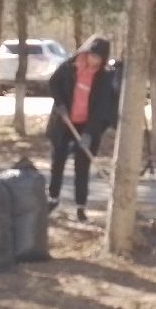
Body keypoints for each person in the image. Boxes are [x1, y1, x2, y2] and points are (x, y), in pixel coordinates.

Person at [45, 35, 119, 222]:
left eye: (98, 58)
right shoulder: (70, 66)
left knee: (82, 166)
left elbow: (102, 108)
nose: (94, 60)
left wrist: (89, 133)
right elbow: (53, 83)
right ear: (85, 52)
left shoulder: (105, 77)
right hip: (64, 121)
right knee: (58, 161)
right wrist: (60, 104)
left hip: (88, 125)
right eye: (92, 55)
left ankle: (80, 206)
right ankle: (53, 198)